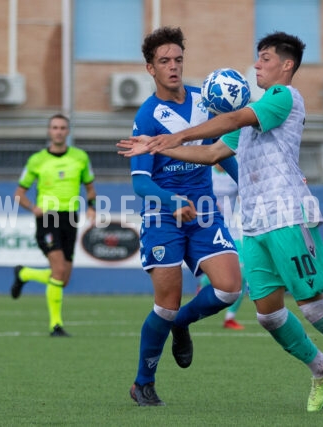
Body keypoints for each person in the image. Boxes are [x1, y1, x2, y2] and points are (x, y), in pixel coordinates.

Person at [118, 31, 323, 415]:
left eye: (264, 58)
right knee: (269, 314)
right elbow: (213, 152)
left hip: (289, 218)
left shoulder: (283, 98)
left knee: (312, 307)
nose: (256, 64)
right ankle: (320, 368)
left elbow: (231, 119)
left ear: (286, 65)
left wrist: (172, 136)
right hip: (257, 224)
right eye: (257, 58)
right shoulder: (240, 117)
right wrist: (156, 145)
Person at [126, 26, 242, 407]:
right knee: (166, 303)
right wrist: (171, 200)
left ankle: (182, 324)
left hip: (205, 213)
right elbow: (141, 184)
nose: (173, 66)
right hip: (164, 216)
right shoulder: (147, 117)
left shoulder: (205, 102)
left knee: (229, 289)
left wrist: (255, 186)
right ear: (150, 68)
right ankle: (143, 382)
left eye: (178, 59)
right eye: (164, 61)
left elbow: (224, 151)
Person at [11, 113, 97, 337]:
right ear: (49, 131)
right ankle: (55, 325)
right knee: (58, 271)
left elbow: (89, 187)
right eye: (55, 127)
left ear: (67, 132)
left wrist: (91, 207)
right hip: (47, 218)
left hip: (70, 218)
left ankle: (25, 274)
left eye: (62, 128)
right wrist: (33, 208)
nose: (58, 131)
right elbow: (19, 194)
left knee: (63, 279)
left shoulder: (80, 157)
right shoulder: (37, 160)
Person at [197, 164, 247, 330]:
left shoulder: (234, 168)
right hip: (209, 228)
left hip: (231, 229)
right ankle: (203, 285)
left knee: (243, 273)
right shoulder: (206, 170)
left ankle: (230, 317)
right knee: (215, 272)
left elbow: (246, 192)